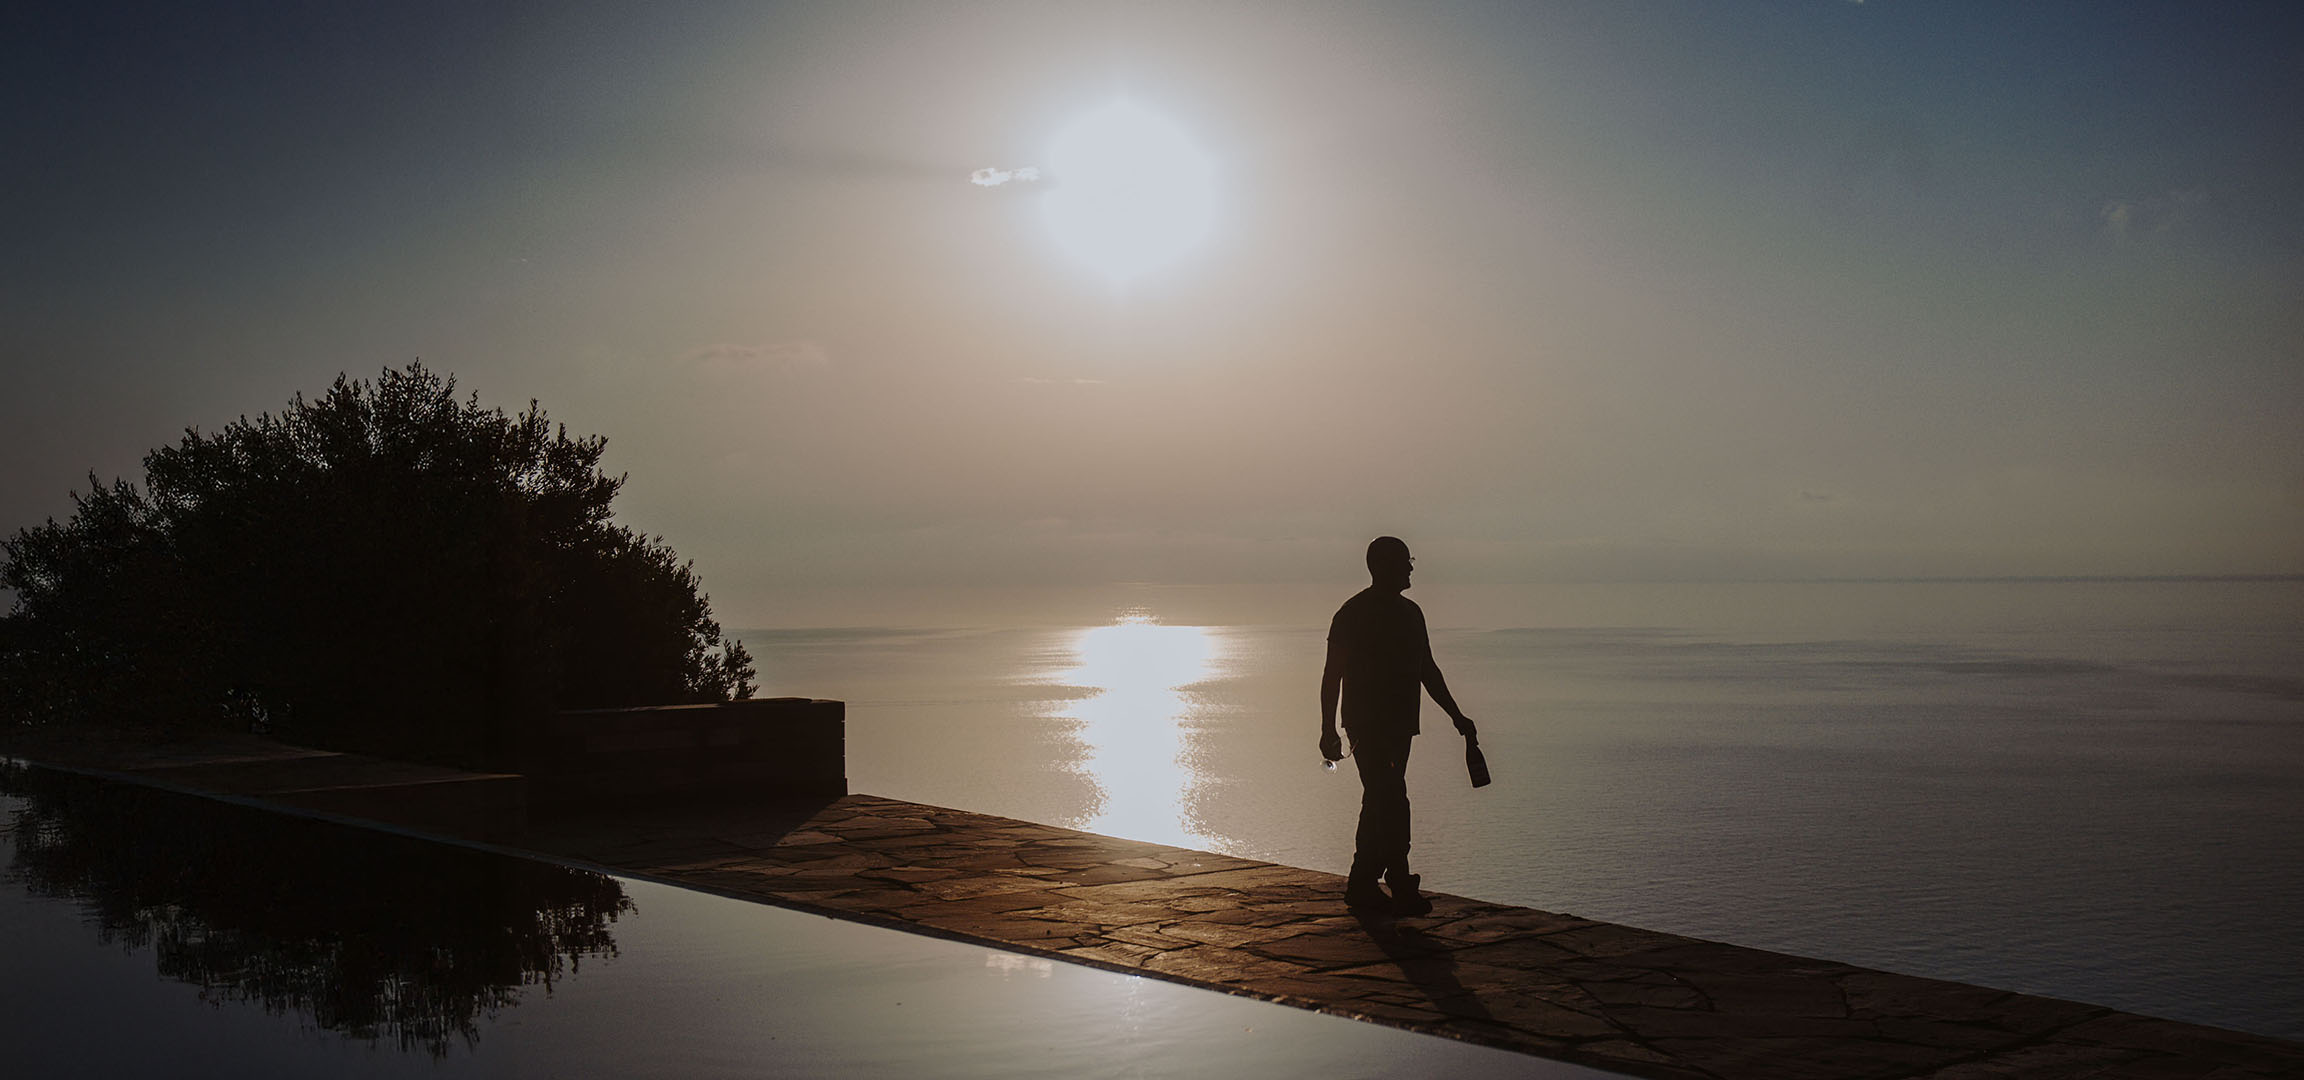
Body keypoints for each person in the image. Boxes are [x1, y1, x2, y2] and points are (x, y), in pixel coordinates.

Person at [1319, 536, 1476, 916]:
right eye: (1405, 562)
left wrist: (1457, 715)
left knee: (1380, 800)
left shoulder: (1411, 614)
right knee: (1390, 797)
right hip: (1367, 726)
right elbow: (1332, 675)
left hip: (1401, 725)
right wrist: (1328, 729)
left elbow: (1427, 669)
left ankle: (1366, 881)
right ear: (1384, 566)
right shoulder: (1351, 613)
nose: (1410, 568)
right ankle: (1395, 880)